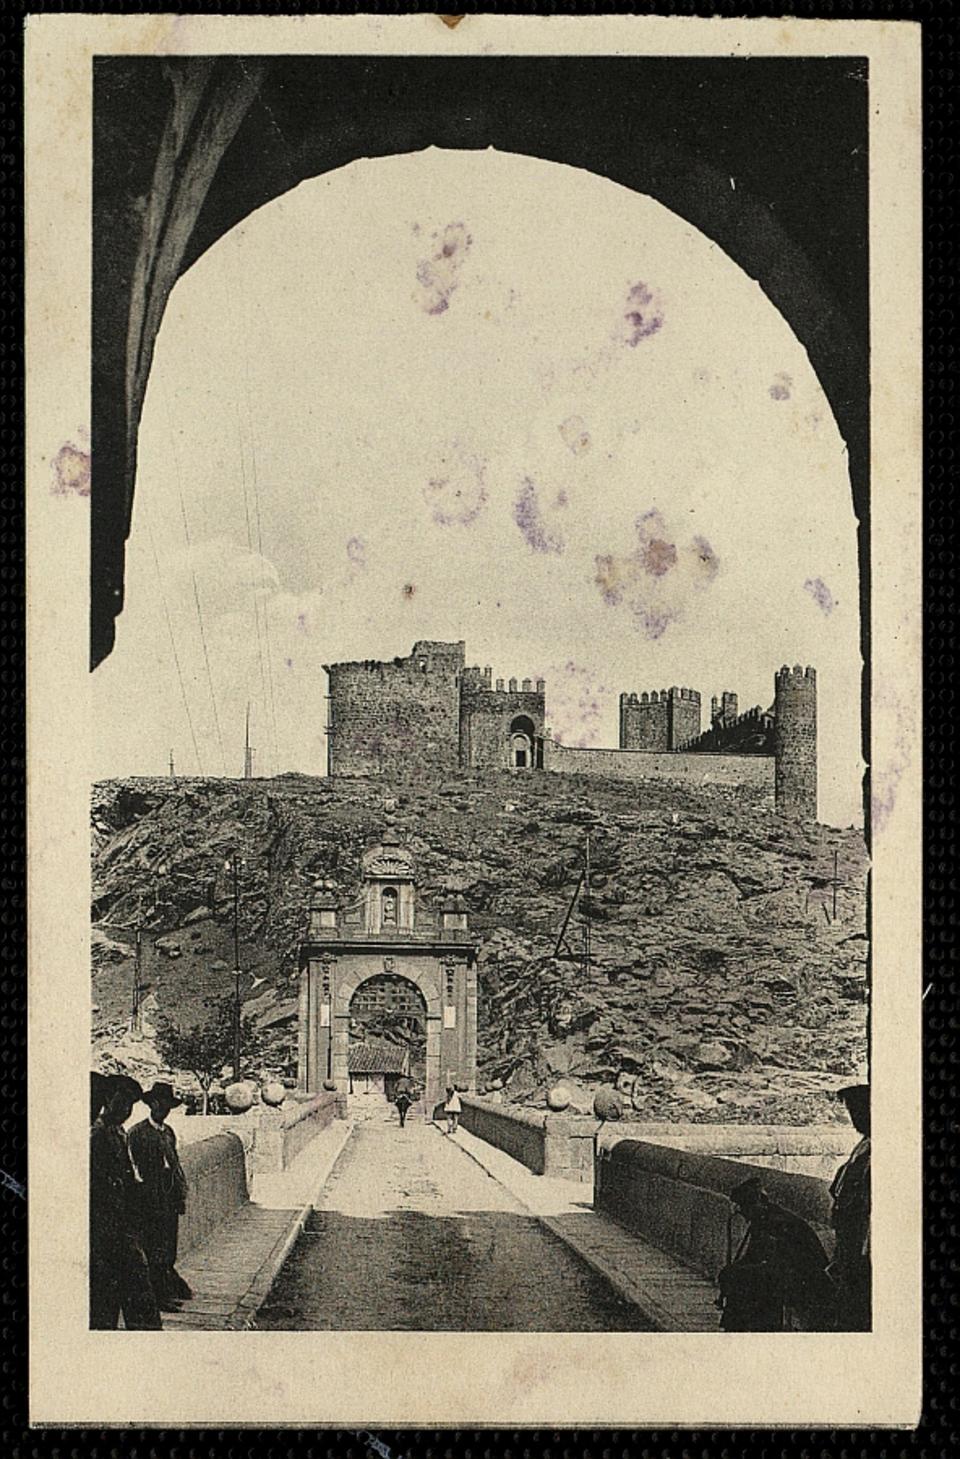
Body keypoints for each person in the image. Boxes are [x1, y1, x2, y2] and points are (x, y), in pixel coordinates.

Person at [90, 1074, 162, 1330]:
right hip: (107, 1231)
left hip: (123, 1227)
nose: (126, 1110)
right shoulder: (97, 1136)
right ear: (108, 1099)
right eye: (122, 1102)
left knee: (136, 1296)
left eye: (130, 1105)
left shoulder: (118, 1132)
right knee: (108, 1302)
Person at [716, 1177, 834, 1332]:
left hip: (807, 1279)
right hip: (789, 1273)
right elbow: (755, 1256)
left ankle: (750, 1330)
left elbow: (779, 1263)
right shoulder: (763, 1219)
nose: (743, 1215)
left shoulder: (778, 1222)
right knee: (737, 1275)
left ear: (757, 1204)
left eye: (745, 1208)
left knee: (754, 1281)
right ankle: (739, 1328)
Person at [128, 1082, 192, 1310]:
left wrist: (180, 1193)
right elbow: (134, 1170)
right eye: (159, 1104)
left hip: (168, 1198)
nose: (163, 1108)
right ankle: (157, 1298)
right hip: (149, 1199)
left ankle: (165, 1292)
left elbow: (175, 1166)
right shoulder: (137, 1133)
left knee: (168, 1248)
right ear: (151, 1104)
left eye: (166, 1105)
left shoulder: (168, 1132)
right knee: (153, 1248)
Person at [829, 1083, 871, 1330]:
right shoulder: (864, 1145)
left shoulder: (877, 1148)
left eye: (858, 1111)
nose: (854, 1119)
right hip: (848, 1240)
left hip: (860, 1242)